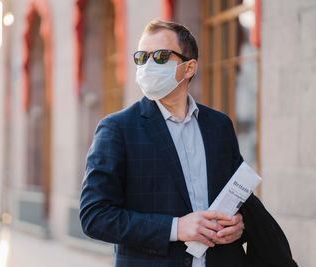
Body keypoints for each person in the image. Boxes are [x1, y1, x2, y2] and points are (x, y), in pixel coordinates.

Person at [79, 19, 297, 267]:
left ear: (189, 67)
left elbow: (239, 200)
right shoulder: (117, 128)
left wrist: (240, 226)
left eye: (160, 56)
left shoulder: (219, 126)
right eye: (141, 57)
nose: (149, 65)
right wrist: (176, 228)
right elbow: (94, 216)